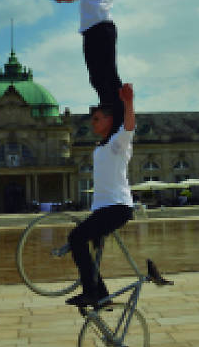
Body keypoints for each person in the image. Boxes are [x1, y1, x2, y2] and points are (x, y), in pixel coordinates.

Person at [54, 0, 151, 133]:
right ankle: (109, 116)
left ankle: (121, 118)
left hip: (103, 27)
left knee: (109, 74)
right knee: (95, 77)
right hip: (88, 31)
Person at [66, 83, 136, 308]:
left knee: (76, 238)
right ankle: (102, 295)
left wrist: (128, 102)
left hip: (117, 206)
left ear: (109, 120)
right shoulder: (100, 148)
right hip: (104, 208)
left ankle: (91, 292)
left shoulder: (118, 143)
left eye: (97, 119)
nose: (92, 123)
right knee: (86, 246)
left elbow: (129, 127)